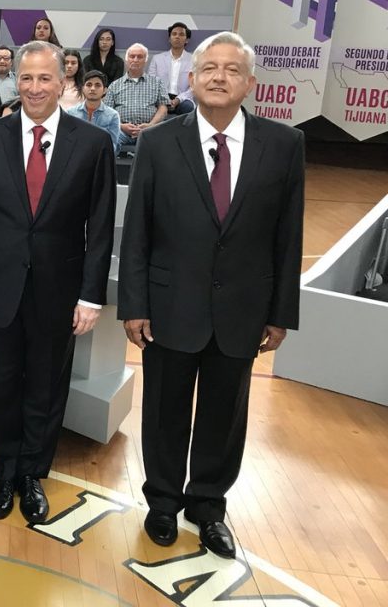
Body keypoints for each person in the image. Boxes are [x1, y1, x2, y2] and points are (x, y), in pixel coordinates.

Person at [119, 32, 304, 559]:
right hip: (169, 306)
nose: (219, 77)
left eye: (232, 69)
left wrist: (280, 313)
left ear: (250, 83)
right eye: (209, 68)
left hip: (243, 309)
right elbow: (138, 233)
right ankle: (162, 502)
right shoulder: (158, 143)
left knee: (225, 416)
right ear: (193, 79)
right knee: (164, 410)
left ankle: (208, 506)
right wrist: (134, 305)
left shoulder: (284, 145)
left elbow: (288, 236)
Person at [0, 40, 115, 523]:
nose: (35, 87)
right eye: (26, 78)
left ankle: (31, 475)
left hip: (59, 292)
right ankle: (4, 472)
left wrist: (90, 296)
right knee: (0, 384)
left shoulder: (93, 144)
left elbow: (100, 227)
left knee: (46, 388)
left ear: (64, 82)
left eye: (45, 78)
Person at [103, 44, 167, 149]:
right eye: (132, 56)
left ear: (145, 60)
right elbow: (107, 112)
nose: (135, 60)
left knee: (164, 143)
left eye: (140, 57)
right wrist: (121, 126)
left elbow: (163, 108)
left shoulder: (157, 83)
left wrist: (151, 125)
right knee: (107, 141)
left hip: (150, 130)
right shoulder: (114, 85)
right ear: (127, 60)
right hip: (121, 131)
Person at [67, 70, 121, 154]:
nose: (92, 88)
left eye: (97, 85)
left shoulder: (113, 115)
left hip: (100, 157)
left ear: (105, 90)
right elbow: (67, 141)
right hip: (76, 157)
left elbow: (112, 145)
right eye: (89, 85)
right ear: (83, 88)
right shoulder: (70, 113)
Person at [148, 22, 195, 115]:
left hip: (182, 99)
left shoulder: (194, 60)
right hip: (160, 98)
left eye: (181, 34)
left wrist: (178, 99)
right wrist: (164, 99)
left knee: (188, 107)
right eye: (174, 34)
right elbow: (151, 82)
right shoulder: (157, 59)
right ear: (169, 39)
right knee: (149, 106)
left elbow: (194, 86)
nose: (177, 37)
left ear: (187, 40)